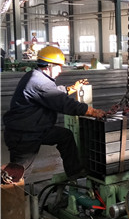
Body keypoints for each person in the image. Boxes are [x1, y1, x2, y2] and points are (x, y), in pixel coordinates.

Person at [2, 45, 106, 180]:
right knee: (15, 176)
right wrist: (91, 111)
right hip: (24, 134)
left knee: (65, 136)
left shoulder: (35, 76)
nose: (61, 71)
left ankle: (75, 173)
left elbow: (52, 93)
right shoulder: (39, 82)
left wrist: (71, 89)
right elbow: (63, 103)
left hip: (37, 128)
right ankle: (9, 191)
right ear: (49, 66)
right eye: (59, 67)